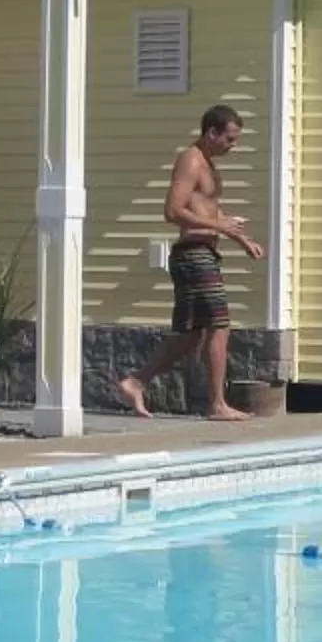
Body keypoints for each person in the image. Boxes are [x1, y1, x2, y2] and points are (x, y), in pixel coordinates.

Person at [117, 104, 263, 421]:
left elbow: (209, 214)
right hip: (193, 255)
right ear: (211, 133)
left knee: (191, 335)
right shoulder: (190, 161)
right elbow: (172, 210)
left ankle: (135, 381)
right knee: (219, 326)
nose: (233, 145)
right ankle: (217, 405)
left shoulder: (207, 164)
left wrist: (240, 238)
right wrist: (220, 227)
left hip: (203, 253)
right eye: (230, 138)